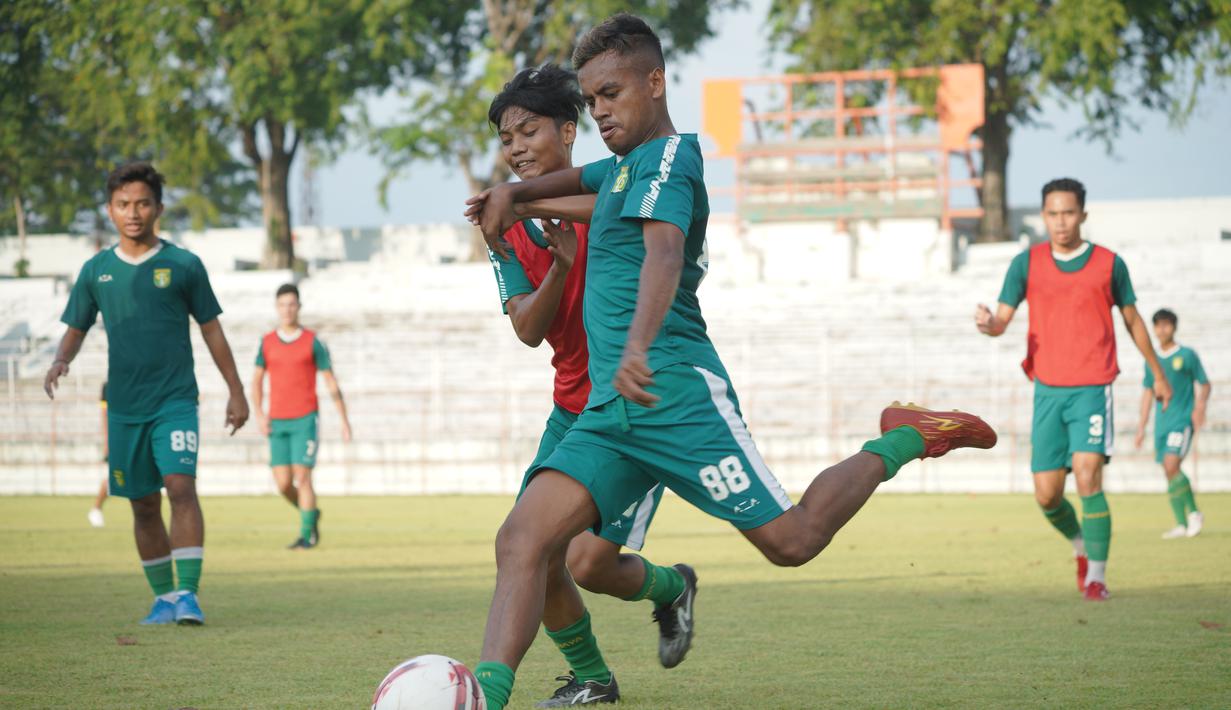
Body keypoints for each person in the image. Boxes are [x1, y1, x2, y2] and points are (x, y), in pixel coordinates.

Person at [464, 15, 997, 709]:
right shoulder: (622, 168)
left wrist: (634, 345)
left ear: (656, 84)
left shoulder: (671, 160)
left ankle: (905, 435)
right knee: (521, 540)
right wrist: (512, 194)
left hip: (671, 392)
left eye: (611, 94)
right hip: (607, 410)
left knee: (792, 541)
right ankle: (483, 698)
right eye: (591, 100)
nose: (599, 111)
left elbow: (663, 253)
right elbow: (581, 181)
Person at [484, 64, 691, 707]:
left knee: (588, 563)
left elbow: (625, 216)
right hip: (571, 410)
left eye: (529, 131)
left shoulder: (617, 183)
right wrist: (559, 267)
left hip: (631, 405)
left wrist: (528, 204)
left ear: (568, 132)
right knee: (533, 548)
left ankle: (671, 587)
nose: (517, 148)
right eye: (506, 138)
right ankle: (593, 678)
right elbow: (526, 328)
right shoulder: (506, 227)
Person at [44, 161, 249, 625]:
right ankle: (163, 599)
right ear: (109, 210)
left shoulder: (183, 265)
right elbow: (76, 327)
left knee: (180, 486)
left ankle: (188, 595)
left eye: (142, 203)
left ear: (158, 208)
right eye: (123, 204)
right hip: (124, 406)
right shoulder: (96, 271)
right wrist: (61, 359)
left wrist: (236, 391)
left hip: (175, 401)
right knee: (142, 503)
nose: (132, 213)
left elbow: (212, 330)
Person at [975, 177, 1172, 601]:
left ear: (1083, 214)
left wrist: (1157, 372)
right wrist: (988, 324)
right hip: (1047, 390)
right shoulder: (1026, 264)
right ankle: (1080, 544)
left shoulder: (1109, 264)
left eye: (1068, 213)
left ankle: (1097, 577)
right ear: (1043, 216)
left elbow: (1133, 319)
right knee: (1047, 495)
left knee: (1087, 476)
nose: (1060, 222)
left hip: (1092, 387)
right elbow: (1002, 321)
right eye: (1053, 214)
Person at [250, 283, 352, 549]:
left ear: (299, 307)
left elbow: (330, 381)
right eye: (283, 305)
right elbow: (256, 381)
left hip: (305, 419)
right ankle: (311, 513)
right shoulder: (267, 342)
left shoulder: (312, 342)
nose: (287, 309)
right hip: (277, 421)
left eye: (292, 304)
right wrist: (259, 414)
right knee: (283, 484)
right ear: (277, 307)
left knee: (303, 477)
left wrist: (344, 419)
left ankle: (307, 536)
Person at [1134, 308, 1209, 538]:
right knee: (1168, 472)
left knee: (1171, 465)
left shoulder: (1187, 355)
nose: (1162, 329)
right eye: (1158, 325)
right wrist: (1141, 427)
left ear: (1174, 327)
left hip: (1181, 421)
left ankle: (1194, 513)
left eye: (1166, 325)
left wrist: (1200, 407)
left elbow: (1204, 384)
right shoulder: (1152, 360)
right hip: (1162, 424)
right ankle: (1181, 524)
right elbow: (1148, 393)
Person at [88, 382, 110, 528]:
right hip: (120, 437)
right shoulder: (109, 386)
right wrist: (107, 441)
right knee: (115, 478)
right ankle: (96, 509)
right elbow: (105, 413)